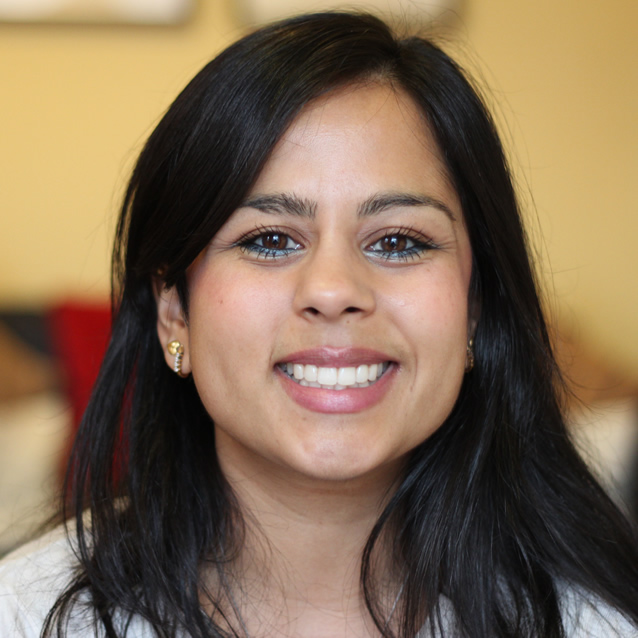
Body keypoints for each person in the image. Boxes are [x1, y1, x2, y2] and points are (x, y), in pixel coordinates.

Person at [1, 11, 637, 638]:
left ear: (474, 306)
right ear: (174, 309)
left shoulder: (596, 624)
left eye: (398, 242)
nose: (333, 291)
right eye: (272, 239)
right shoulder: (24, 616)